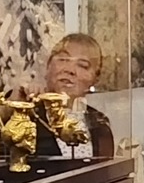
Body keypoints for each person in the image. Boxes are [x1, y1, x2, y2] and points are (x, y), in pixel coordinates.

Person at [31, 32, 116, 161]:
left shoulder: (100, 124)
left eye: (82, 65)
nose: (70, 70)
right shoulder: (29, 114)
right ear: (48, 66)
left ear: (95, 78)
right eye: (63, 59)